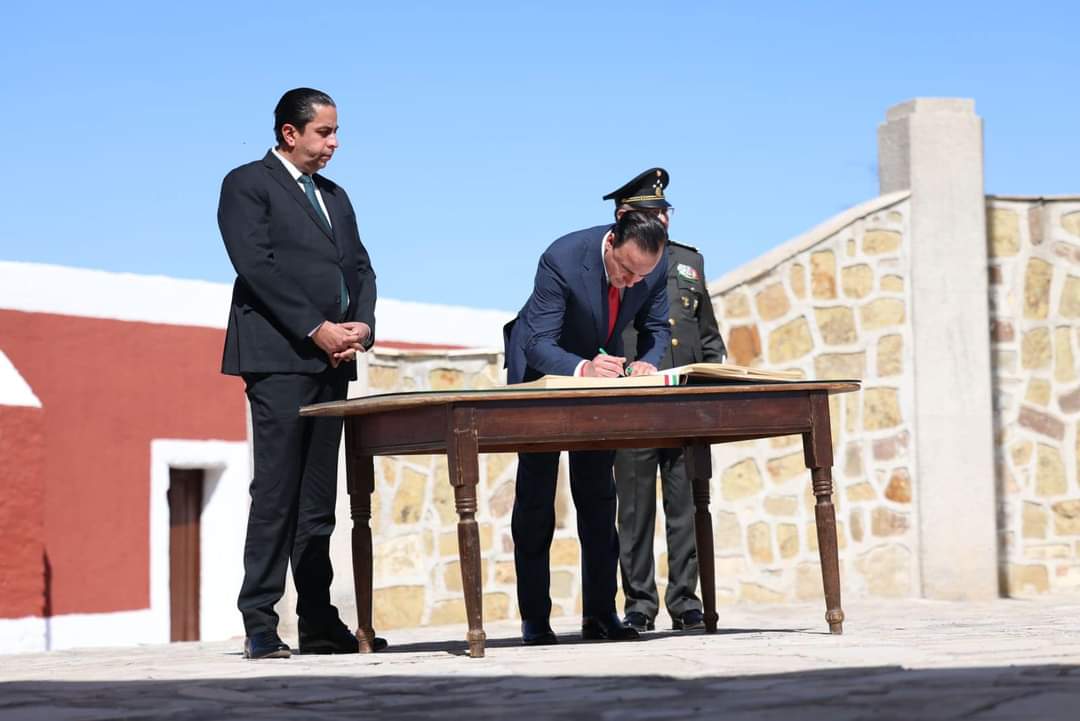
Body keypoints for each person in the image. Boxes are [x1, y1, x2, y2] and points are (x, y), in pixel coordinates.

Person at [218, 87, 383, 659]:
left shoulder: (336, 196)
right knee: (277, 492)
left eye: (336, 133)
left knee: (318, 500)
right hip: (280, 358)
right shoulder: (247, 184)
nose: (334, 144)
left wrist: (359, 326)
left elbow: (360, 267)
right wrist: (317, 327)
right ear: (291, 133)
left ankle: (317, 619)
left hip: (334, 360)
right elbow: (256, 266)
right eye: (324, 132)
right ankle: (260, 620)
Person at [503, 205, 671, 645]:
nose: (633, 281)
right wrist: (583, 368)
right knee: (537, 498)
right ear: (611, 243)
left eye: (642, 276)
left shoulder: (653, 264)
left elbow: (656, 331)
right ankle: (535, 619)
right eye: (626, 271)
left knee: (598, 495)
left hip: (602, 374)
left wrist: (648, 364)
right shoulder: (562, 257)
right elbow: (537, 341)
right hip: (541, 372)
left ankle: (601, 615)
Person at [607, 169, 728, 633]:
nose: (660, 218)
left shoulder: (688, 262)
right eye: (649, 213)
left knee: (686, 507)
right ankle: (639, 604)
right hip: (635, 406)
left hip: (686, 406)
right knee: (634, 511)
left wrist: (712, 384)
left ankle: (686, 602)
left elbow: (708, 334)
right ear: (626, 220)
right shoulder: (616, 263)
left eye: (663, 211)